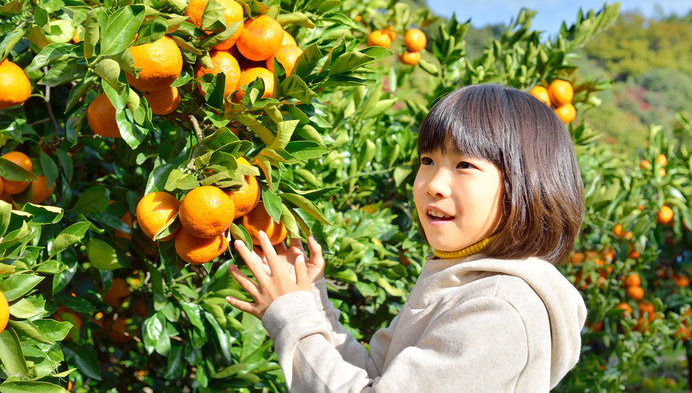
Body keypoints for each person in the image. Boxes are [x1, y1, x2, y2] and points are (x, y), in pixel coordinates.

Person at [226, 83, 587, 392]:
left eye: (464, 165)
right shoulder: (458, 283)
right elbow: (374, 377)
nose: (432, 184)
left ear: (525, 186)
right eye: (427, 161)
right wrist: (309, 300)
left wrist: (291, 316)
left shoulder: (501, 308)